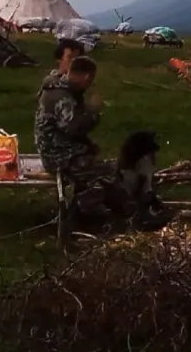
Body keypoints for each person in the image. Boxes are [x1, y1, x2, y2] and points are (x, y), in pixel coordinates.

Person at [34, 55, 129, 226]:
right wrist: (93, 111)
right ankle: (87, 214)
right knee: (111, 172)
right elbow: (74, 127)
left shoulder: (58, 88)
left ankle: (94, 209)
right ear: (87, 77)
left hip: (56, 148)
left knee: (105, 167)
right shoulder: (62, 97)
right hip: (59, 156)